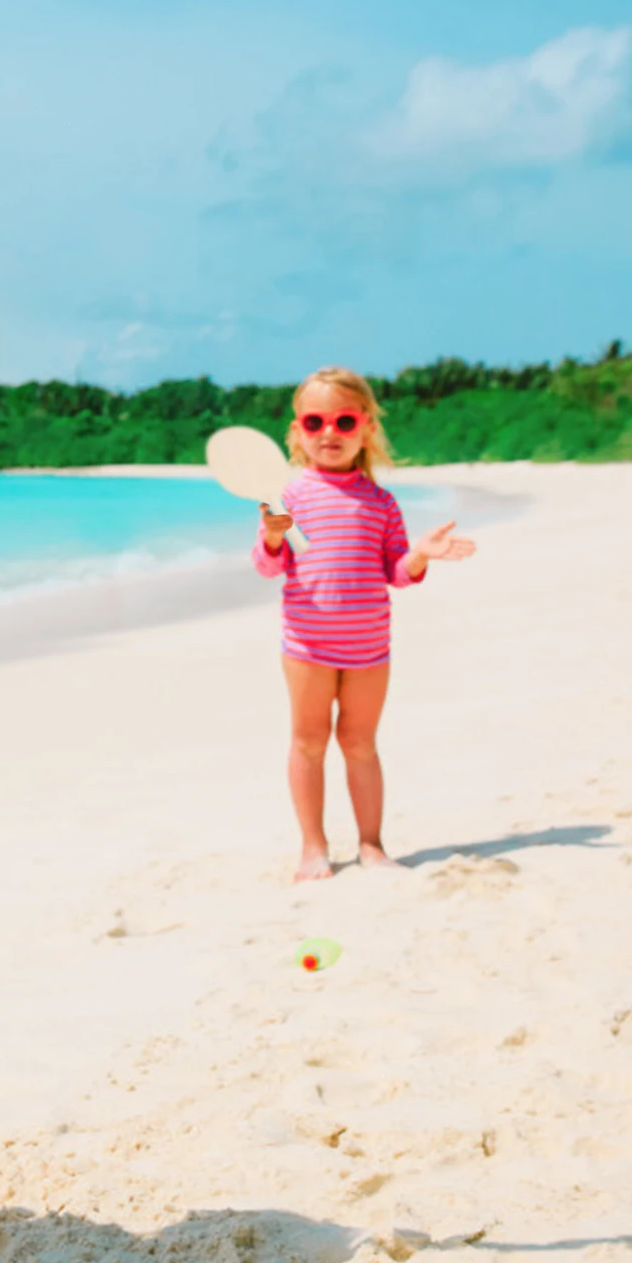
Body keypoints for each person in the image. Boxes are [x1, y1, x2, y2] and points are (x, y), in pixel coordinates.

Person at [252, 367, 474, 883]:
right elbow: (268, 566)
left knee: (360, 744)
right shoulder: (289, 499)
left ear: (366, 428)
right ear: (296, 432)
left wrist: (420, 555)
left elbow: (395, 572)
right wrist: (270, 535)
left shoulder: (381, 503)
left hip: (369, 647)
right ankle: (313, 848)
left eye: (344, 421)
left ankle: (372, 845)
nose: (329, 433)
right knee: (308, 742)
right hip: (306, 645)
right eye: (315, 422)